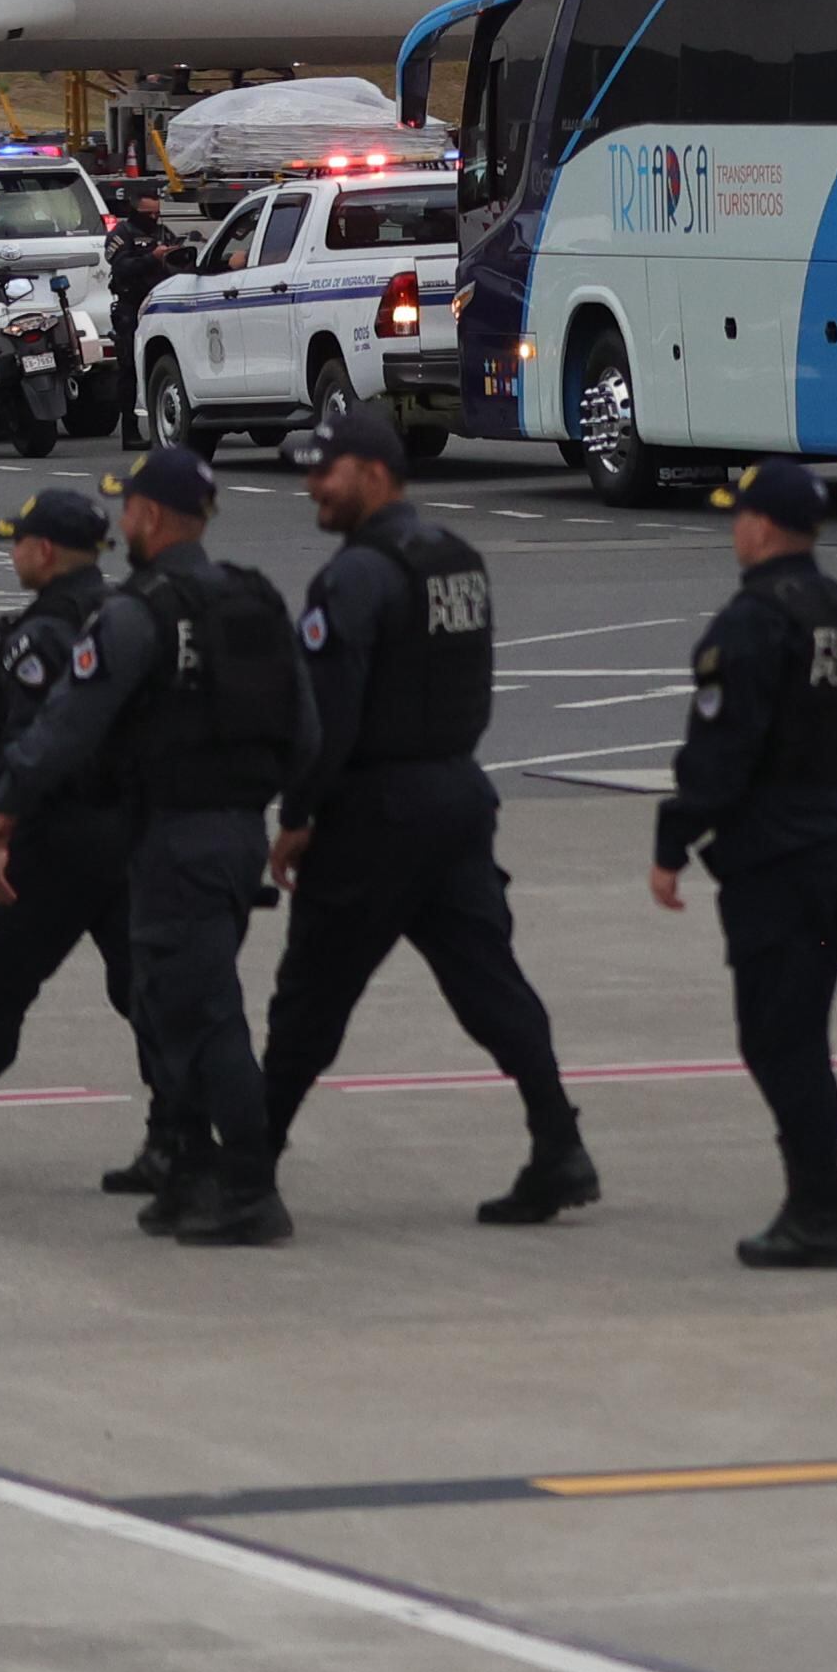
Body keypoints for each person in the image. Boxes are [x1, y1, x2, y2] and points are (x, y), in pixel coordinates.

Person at [258, 410, 593, 1227]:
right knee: (489, 981)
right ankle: (559, 1143)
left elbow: (328, 715)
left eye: (325, 469)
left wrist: (299, 812)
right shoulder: (457, 559)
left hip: (375, 812)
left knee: (309, 998)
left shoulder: (354, 579)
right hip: (456, 798)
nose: (312, 484)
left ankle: (246, 1172)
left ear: (374, 473)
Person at [0, 446, 315, 1246]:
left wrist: (6, 805)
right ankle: (190, 1170)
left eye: (129, 506)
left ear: (154, 518)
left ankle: (248, 1185)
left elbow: (68, 724)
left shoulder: (139, 613)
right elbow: (306, 720)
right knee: (169, 1005)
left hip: (176, 837)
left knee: (202, 1013)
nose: (121, 520)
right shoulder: (254, 599)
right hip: (235, 834)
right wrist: (298, 817)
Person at [653, 461, 837, 1269]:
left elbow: (722, 753)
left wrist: (672, 839)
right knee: (801, 1031)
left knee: (778, 1039)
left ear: (762, 527)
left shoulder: (754, 623)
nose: (735, 531)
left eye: (739, 517)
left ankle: (821, 1209)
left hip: (780, 864)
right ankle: (819, 1198)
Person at [0, 486, 159, 1188]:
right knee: (148, 989)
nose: (12, 552)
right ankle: (178, 1134)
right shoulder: (130, 612)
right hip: (132, 832)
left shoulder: (44, 633)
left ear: (46, 551)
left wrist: (4, 819)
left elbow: (42, 739)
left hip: (56, 834)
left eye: (19, 541)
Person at [102, 192, 190, 442]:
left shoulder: (163, 233)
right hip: (131, 306)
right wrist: (152, 258)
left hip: (158, 306)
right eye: (148, 214)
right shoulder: (122, 234)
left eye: (156, 213)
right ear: (135, 212)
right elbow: (120, 267)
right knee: (128, 366)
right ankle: (129, 431)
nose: (153, 218)